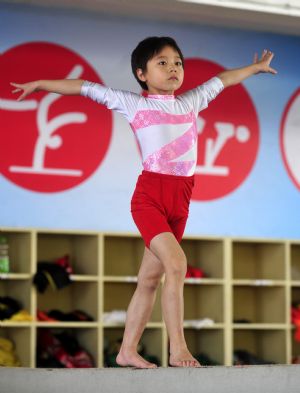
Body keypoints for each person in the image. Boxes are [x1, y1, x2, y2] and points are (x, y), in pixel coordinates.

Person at [11, 36, 276, 369]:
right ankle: (178, 349)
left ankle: (127, 350)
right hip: (150, 197)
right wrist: (40, 84)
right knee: (177, 265)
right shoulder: (135, 104)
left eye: (177, 62)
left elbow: (222, 80)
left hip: (181, 200)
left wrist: (254, 68)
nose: (172, 69)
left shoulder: (190, 102)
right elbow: (82, 86)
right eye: (161, 63)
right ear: (142, 73)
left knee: (149, 280)